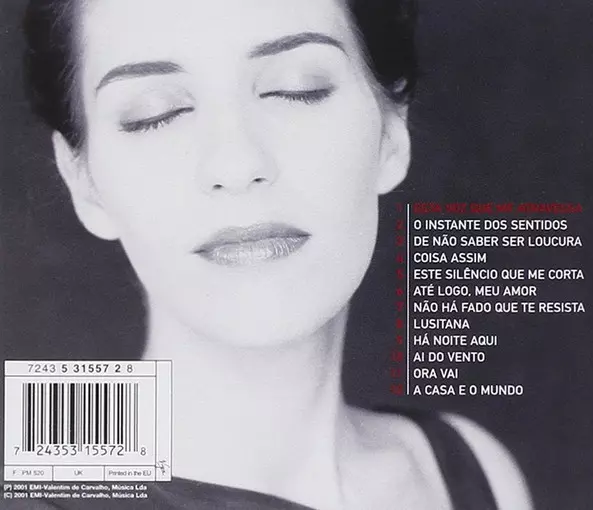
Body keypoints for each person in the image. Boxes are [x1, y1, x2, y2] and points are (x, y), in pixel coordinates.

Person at [15, 0, 533, 508]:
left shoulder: (467, 469)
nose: (238, 163)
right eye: (157, 115)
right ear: (83, 181)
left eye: (296, 90)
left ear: (391, 133)